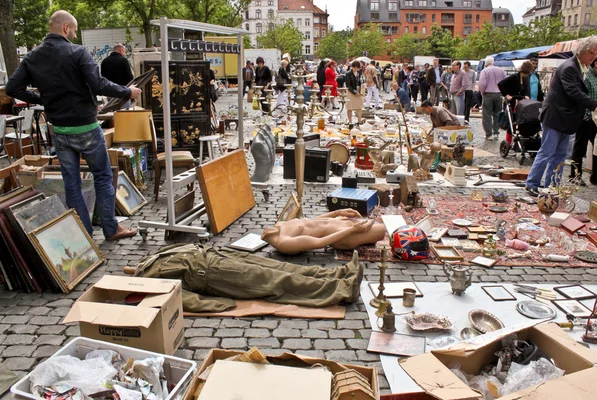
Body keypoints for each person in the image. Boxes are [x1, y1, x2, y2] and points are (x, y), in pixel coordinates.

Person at [6, 10, 141, 241]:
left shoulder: (32, 57)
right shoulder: (78, 52)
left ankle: (84, 235)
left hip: (59, 129)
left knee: (72, 183)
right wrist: (127, 91)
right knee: (102, 176)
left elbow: (12, 89)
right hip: (86, 127)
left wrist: (43, 99)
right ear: (66, 28)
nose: (75, 35)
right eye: (75, 30)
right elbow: (98, 84)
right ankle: (111, 229)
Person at [133, 244, 364, 313]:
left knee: (280, 267)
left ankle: (338, 274)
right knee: (275, 281)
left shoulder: (155, 257)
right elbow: (181, 298)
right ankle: (342, 290)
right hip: (215, 276)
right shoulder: (149, 280)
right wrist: (219, 305)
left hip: (219, 255)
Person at [525, 37, 597, 195]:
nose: (594, 57)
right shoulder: (570, 67)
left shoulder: (579, 67)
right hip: (556, 116)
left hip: (566, 118)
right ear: (582, 51)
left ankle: (552, 185)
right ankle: (532, 183)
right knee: (547, 152)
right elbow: (572, 91)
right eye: (592, 53)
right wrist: (594, 104)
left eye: (596, 54)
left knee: (560, 155)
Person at [261, 209, 386, 254]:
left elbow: (310, 222)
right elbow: (319, 242)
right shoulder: (284, 243)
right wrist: (351, 230)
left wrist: (336, 213)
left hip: (337, 224)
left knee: (376, 223)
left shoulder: (279, 225)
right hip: (341, 235)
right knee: (382, 230)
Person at [571, 54, 597, 185]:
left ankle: (596, 177)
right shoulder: (586, 76)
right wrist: (586, 116)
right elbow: (582, 96)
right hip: (586, 117)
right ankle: (575, 176)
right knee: (580, 148)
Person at [498, 61, 534, 138]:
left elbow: (527, 89)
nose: (526, 75)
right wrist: (506, 95)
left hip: (522, 103)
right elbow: (500, 84)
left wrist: (527, 96)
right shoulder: (514, 77)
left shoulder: (526, 78)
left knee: (521, 122)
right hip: (513, 102)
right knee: (512, 122)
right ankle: (509, 139)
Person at [479, 56, 507, 140]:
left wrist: (482, 92)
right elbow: (505, 81)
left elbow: (482, 84)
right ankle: (496, 133)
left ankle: (489, 134)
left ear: (486, 63)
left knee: (487, 114)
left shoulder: (484, 71)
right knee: (497, 114)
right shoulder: (501, 70)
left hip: (488, 94)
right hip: (498, 94)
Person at [345, 60, 364, 125]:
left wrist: (362, 90)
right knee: (349, 107)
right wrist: (354, 92)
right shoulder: (348, 73)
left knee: (359, 107)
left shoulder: (359, 72)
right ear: (352, 67)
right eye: (354, 67)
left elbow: (361, 81)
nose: (356, 69)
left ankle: (359, 121)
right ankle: (350, 121)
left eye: (357, 68)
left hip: (359, 91)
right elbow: (348, 85)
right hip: (351, 92)